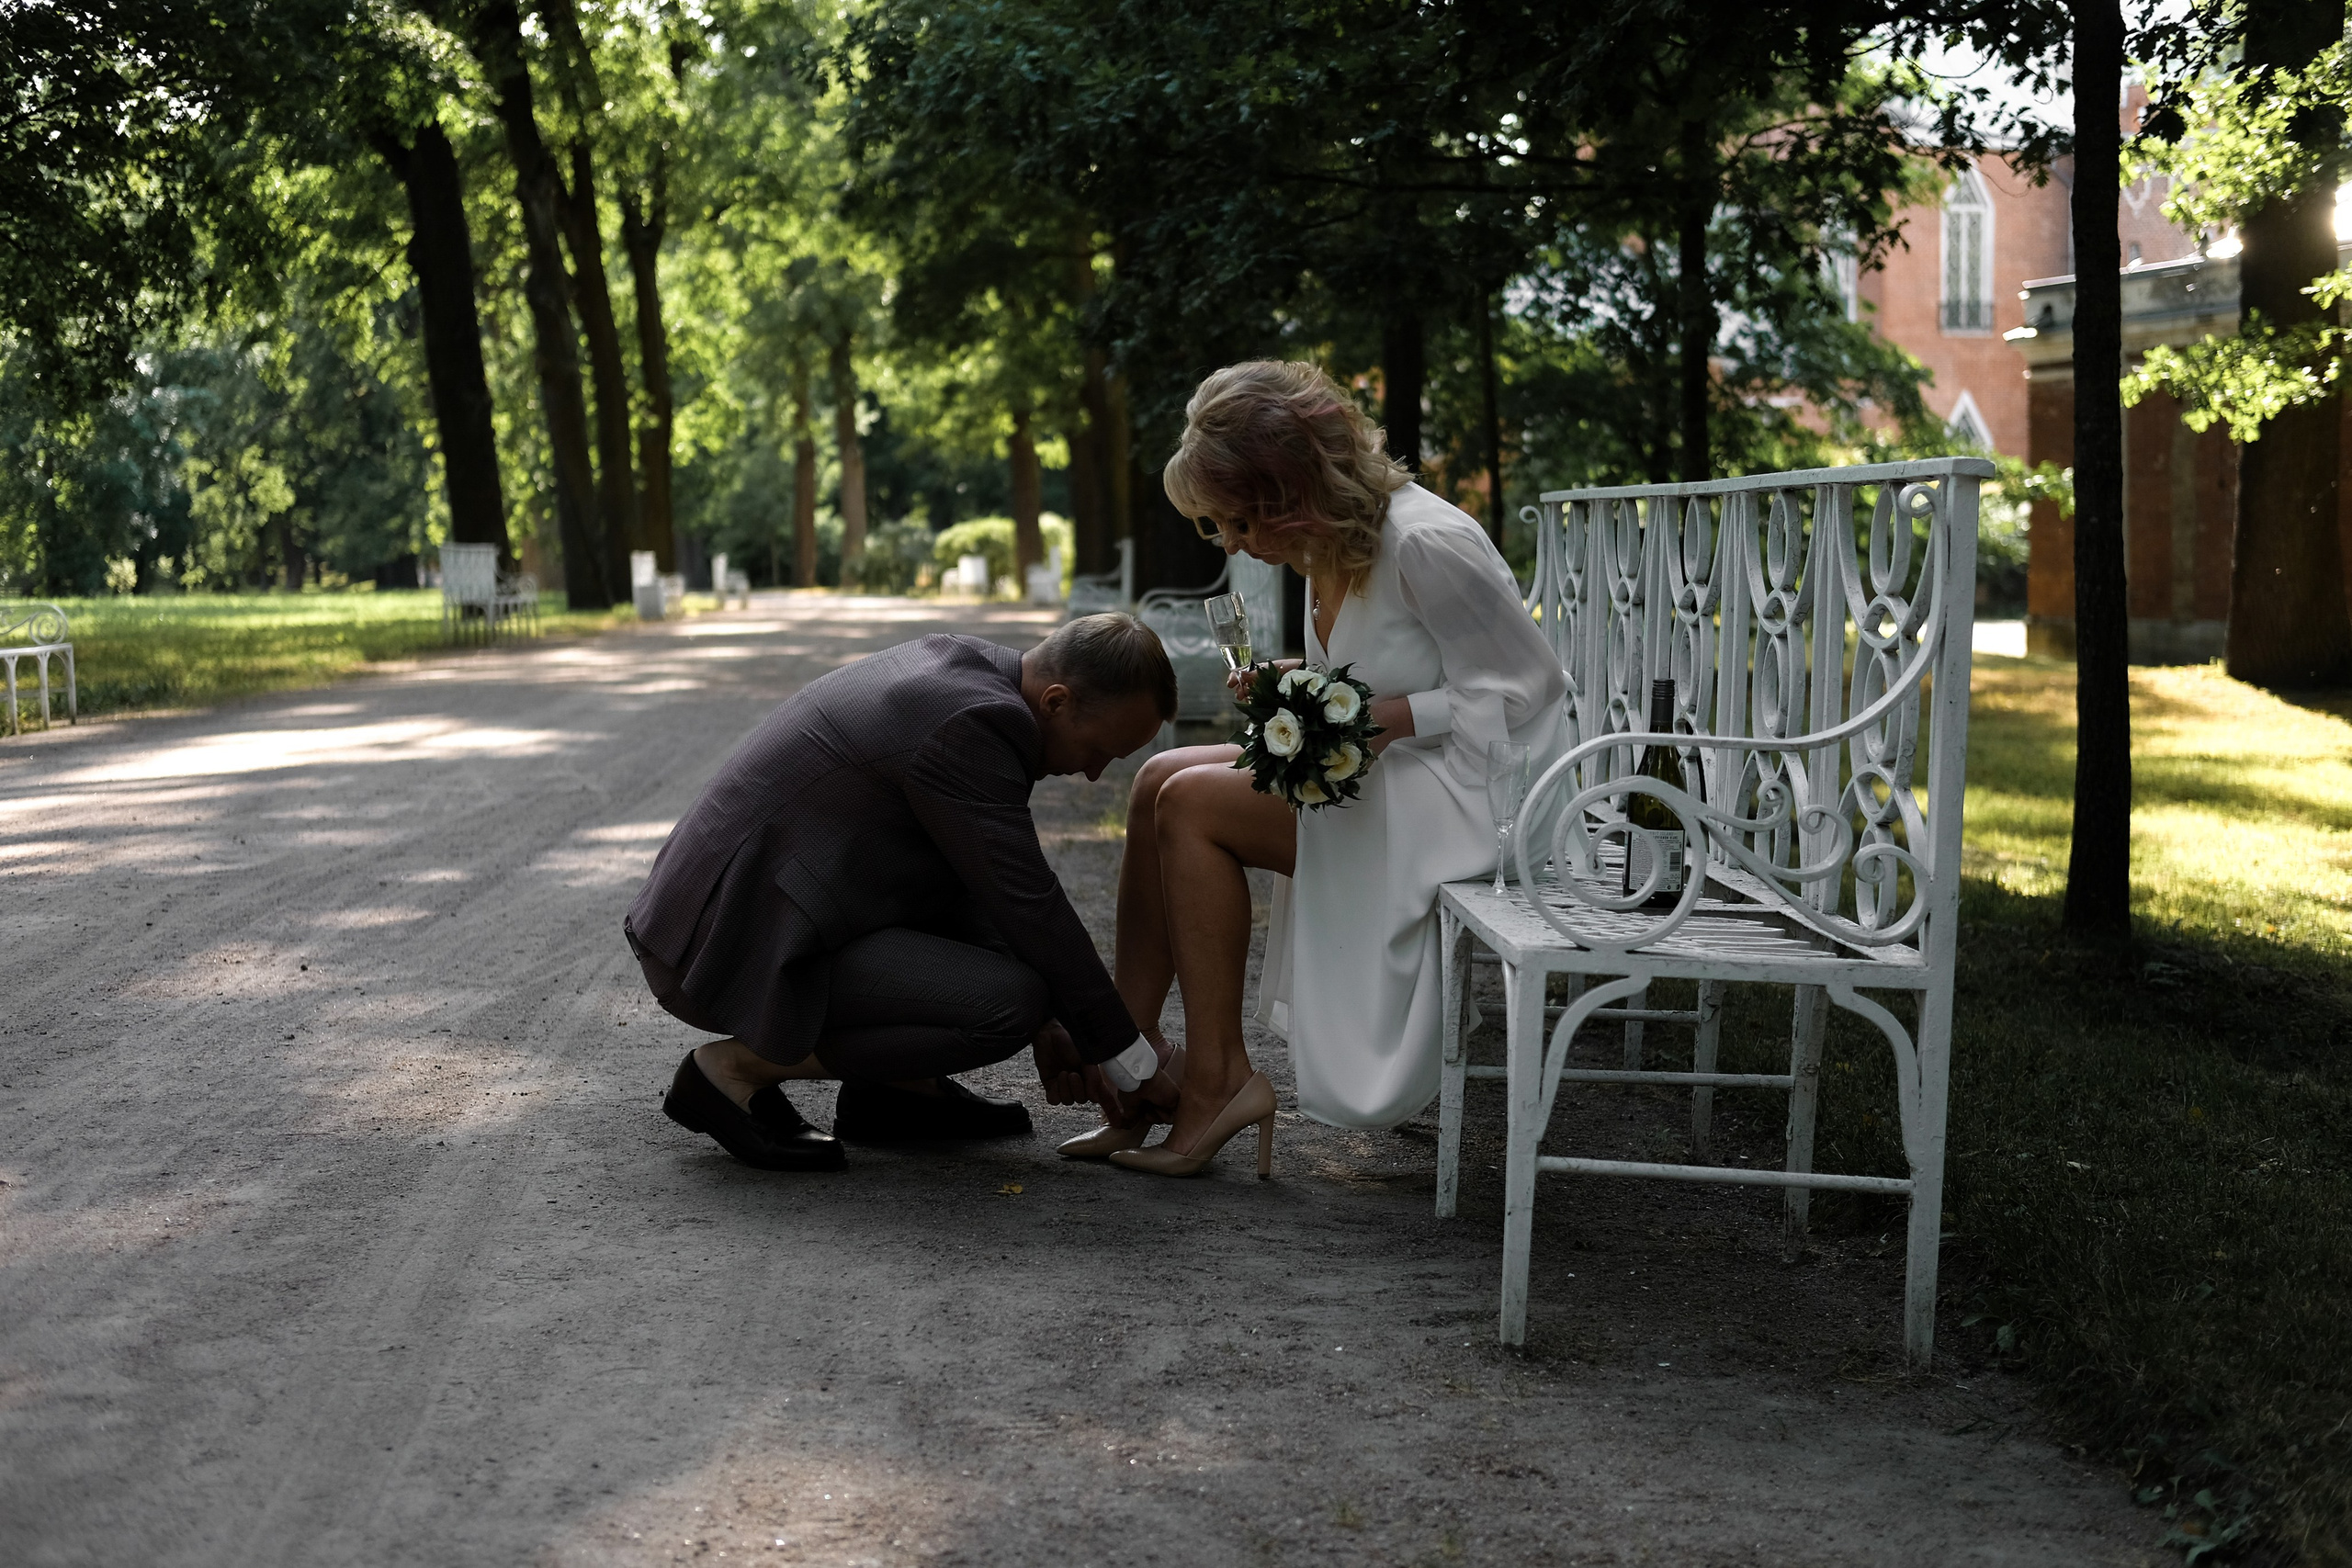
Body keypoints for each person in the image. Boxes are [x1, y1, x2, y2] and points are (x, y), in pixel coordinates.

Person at [1069, 361, 1567, 1178]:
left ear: (1289, 488)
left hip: (1473, 793)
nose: (1230, 543)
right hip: (1401, 767)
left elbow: (1528, 694)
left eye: (1235, 520)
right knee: (1161, 779)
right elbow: (1394, 662)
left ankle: (1218, 1082)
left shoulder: (1426, 540)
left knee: (1193, 803)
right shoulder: (1332, 546)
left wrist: (1375, 721)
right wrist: (1295, 683)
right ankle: (1129, 1068)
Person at [626, 614, 1186, 1171]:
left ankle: (897, 1090)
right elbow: (1030, 904)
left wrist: (1064, 1025)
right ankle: (732, 1071)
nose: (1094, 775)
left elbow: (983, 884)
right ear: (1057, 702)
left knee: (1025, 976)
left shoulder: (969, 668)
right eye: (1100, 752)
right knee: (1004, 1003)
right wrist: (1125, 1062)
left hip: (756, 911)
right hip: (725, 946)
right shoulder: (975, 723)